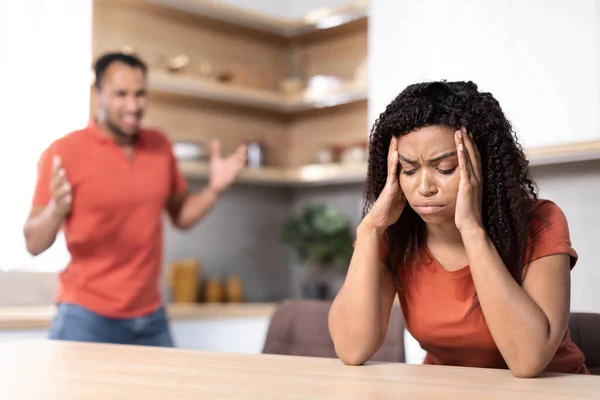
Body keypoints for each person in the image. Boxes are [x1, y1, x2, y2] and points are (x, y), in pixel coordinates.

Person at [328, 81, 589, 377]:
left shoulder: (540, 221)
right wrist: (370, 230)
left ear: (483, 166)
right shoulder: (396, 234)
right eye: (409, 170)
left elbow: (528, 359)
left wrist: (471, 228)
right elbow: (351, 349)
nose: (424, 187)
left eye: (446, 169)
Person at [23, 52, 247, 346]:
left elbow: (180, 216)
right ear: (96, 95)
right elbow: (33, 244)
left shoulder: (159, 145)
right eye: (121, 94)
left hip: (150, 316)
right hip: (86, 316)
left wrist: (214, 189)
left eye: (140, 94)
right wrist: (55, 211)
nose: (133, 105)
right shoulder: (63, 152)